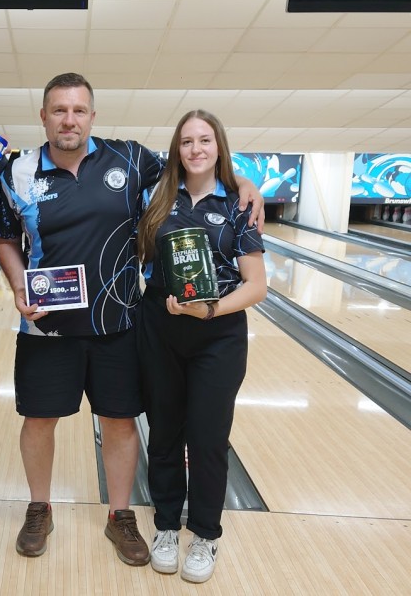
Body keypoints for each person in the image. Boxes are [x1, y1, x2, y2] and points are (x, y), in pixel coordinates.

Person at [0, 73, 264, 566]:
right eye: (59, 110)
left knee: (119, 421)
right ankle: (39, 508)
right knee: (38, 419)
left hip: (118, 324)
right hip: (47, 325)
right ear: (44, 116)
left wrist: (244, 183)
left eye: (79, 110)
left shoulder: (131, 159)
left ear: (92, 116)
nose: (69, 120)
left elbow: (196, 168)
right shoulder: (18, 171)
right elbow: (6, 237)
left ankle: (120, 516)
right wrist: (16, 285)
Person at [136, 109, 267, 583]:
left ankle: (206, 535)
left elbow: (257, 285)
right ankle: (166, 527)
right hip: (160, 327)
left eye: (205, 140)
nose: (196, 149)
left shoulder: (238, 204)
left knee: (208, 439)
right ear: (177, 148)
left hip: (218, 333)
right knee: (164, 434)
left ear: (218, 147)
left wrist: (211, 310)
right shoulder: (155, 196)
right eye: (187, 141)